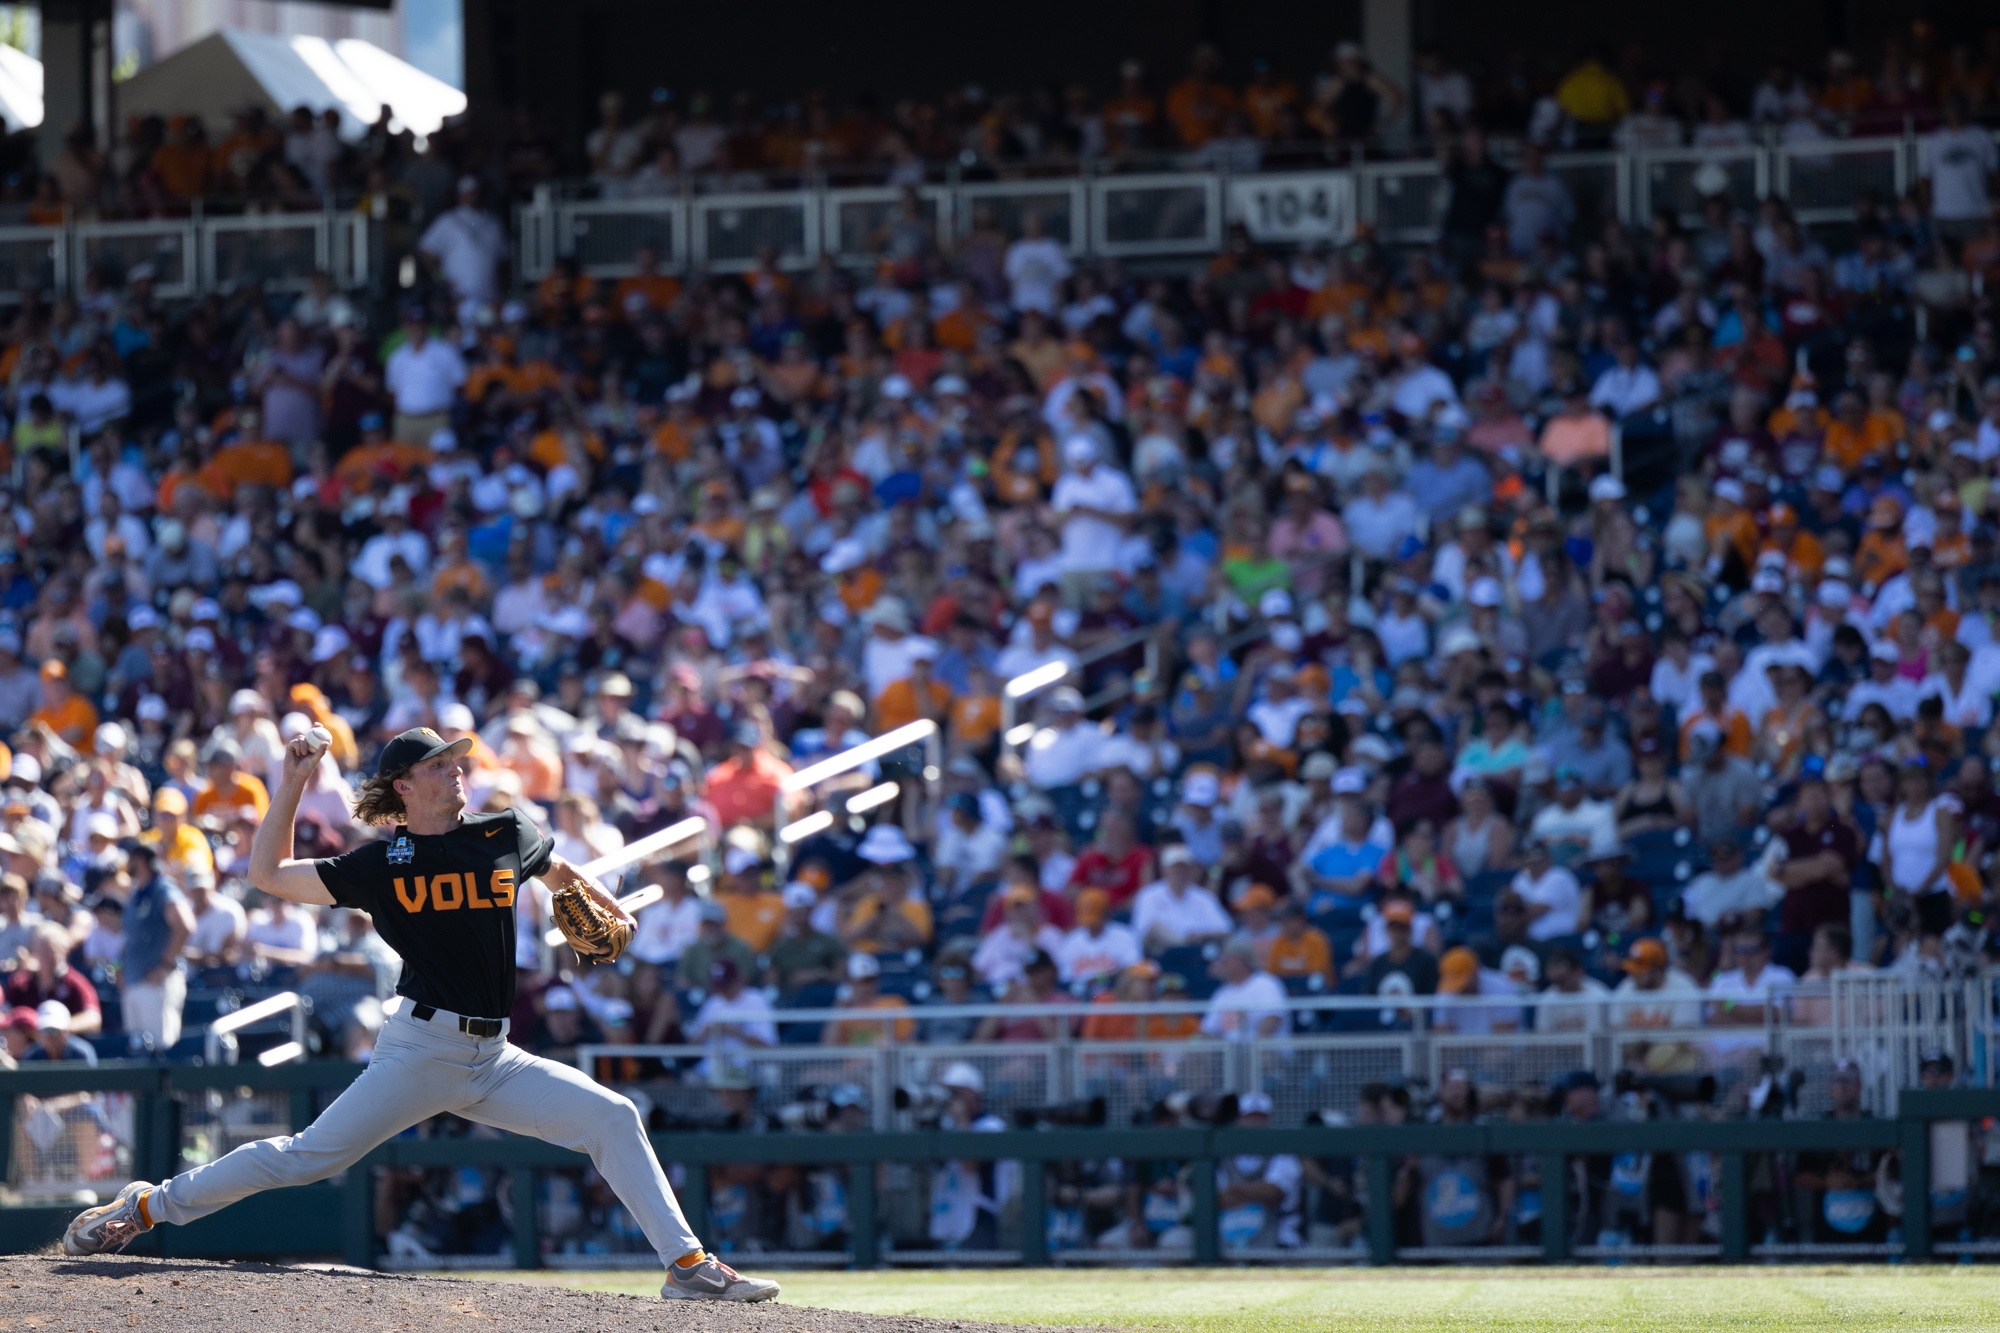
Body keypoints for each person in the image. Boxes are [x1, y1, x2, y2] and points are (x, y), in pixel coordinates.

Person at [63, 727, 778, 1303]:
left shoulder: (502, 832)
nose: (456, 770)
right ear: (404, 785)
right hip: (419, 1047)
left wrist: (609, 907)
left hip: (495, 1057)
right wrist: (294, 780)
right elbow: (266, 874)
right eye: (439, 764)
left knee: (613, 1116)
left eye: (456, 761)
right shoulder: (383, 862)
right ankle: (148, 1207)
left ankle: (686, 1265)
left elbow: (560, 873)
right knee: (306, 1159)